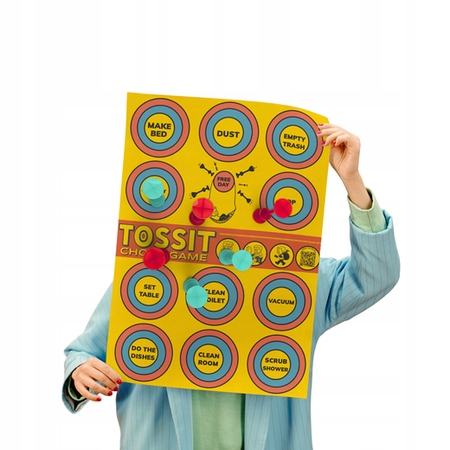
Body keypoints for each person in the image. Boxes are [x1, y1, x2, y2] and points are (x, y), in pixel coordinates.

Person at [62, 123, 400, 450]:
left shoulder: (296, 281)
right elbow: (83, 353)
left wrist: (352, 180)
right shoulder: (147, 276)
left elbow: (375, 275)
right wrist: (81, 373)